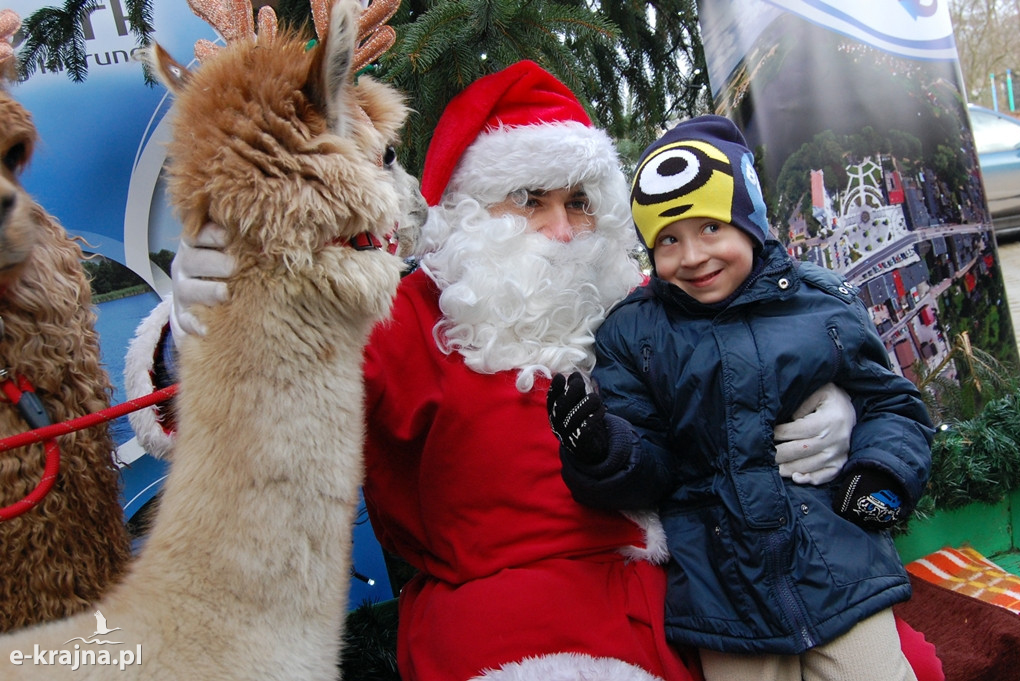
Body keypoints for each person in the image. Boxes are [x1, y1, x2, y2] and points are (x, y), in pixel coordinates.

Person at [126, 62, 942, 681]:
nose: (561, 229)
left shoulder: (647, 295)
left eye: (580, 202)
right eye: (530, 199)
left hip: (707, 589)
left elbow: (768, 339)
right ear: (468, 213)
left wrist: (835, 405)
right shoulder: (408, 314)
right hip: (516, 619)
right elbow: (256, 402)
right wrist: (207, 323)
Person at [546, 115, 934, 681]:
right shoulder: (634, 333)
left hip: (841, 562)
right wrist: (604, 451)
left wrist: (880, 473)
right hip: (723, 588)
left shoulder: (819, 303)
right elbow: (650, 461)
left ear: (749, 223)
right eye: (669, 240)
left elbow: (892, 405)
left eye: (711, 229)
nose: (694, 256)